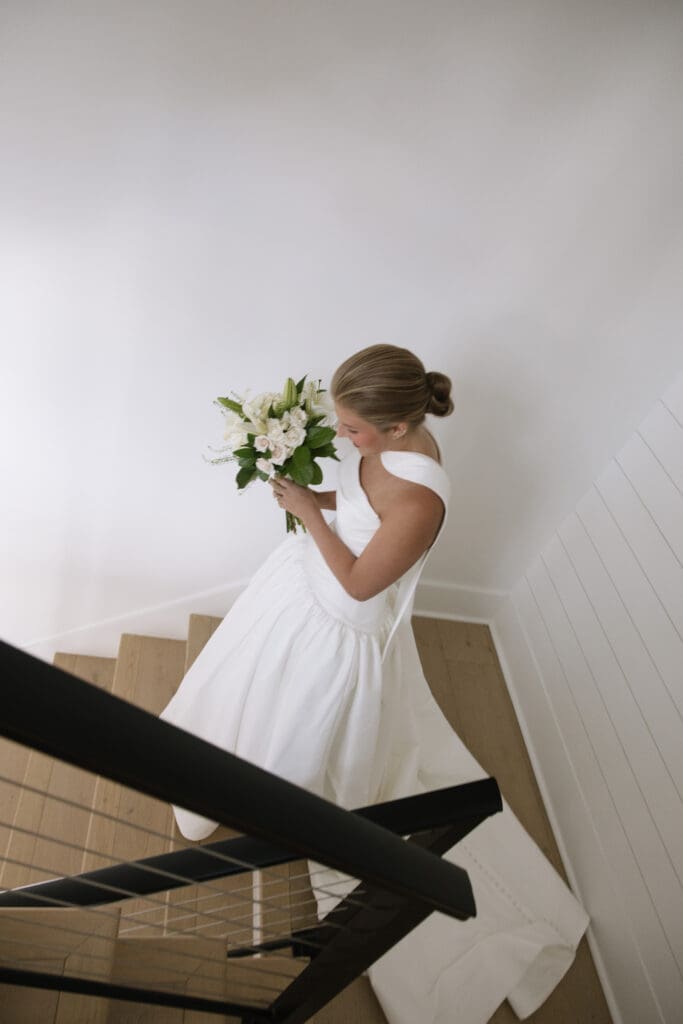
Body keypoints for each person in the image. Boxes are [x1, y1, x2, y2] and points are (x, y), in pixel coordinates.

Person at [160, 344, 589, 1024]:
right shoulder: (387, 446)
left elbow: (361, 583)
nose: (344, 438)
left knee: (293, 720)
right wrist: (320, 498)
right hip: (305, 587)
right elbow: (362, 507)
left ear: (395, 428)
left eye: (353, 429)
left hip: (338, 619)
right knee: (249, 689)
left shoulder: (419, 497)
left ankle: (271, 800)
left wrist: (308, 515)